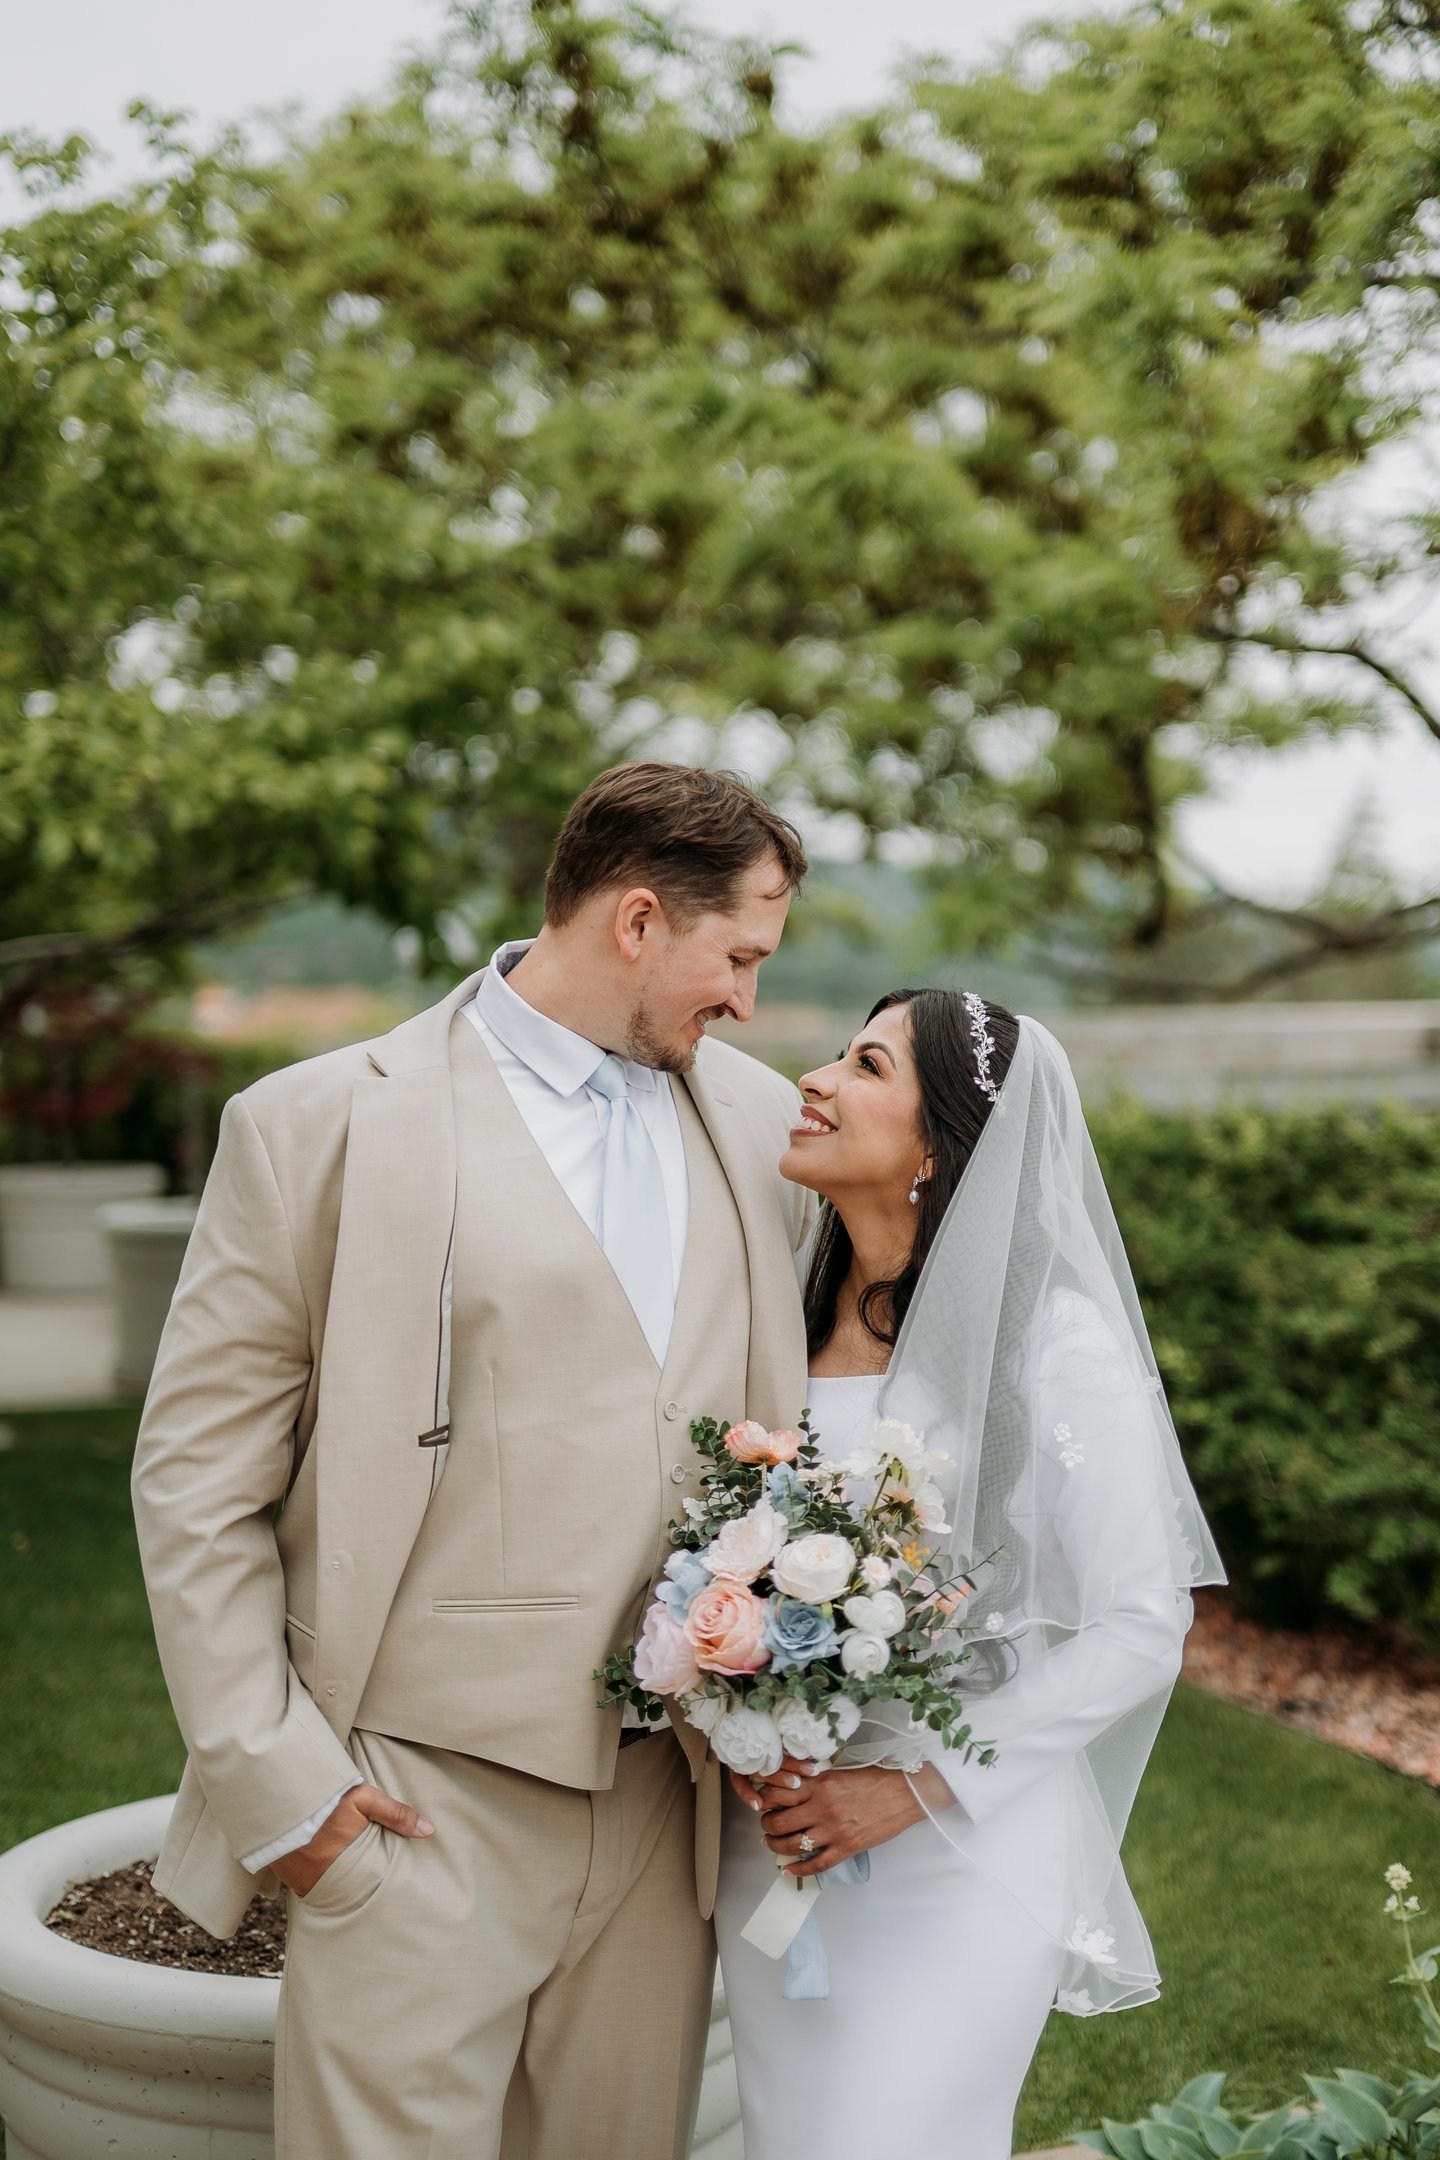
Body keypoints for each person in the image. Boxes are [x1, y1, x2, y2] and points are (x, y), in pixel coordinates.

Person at [131, 762, 814, 2160]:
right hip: (415, 1799)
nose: (749, 999)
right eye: (739, 957)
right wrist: (283, 1789)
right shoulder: (318, 1125)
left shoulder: (759, 1121)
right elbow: (197, 1482)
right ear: (637, 921)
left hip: (667, 1810)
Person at [715, 987, 1225, 2160]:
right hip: (775, 1841)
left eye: (867, 1066)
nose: (815, 1080)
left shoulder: (1053, 1345)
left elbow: (1142, 1624)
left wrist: (913, 1785)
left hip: (954, 1855)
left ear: (939, 1146)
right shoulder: (771, 1320)